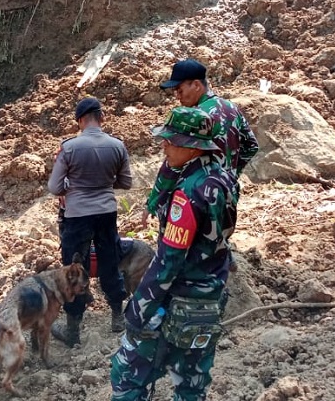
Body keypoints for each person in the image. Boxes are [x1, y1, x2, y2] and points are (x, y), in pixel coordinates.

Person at [110, 107, 237, 401]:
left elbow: (168, 261)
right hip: (210, 297)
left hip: (178, 300)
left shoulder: (189, 193)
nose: (164, 145)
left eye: (171, 140)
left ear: (192, 147)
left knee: (127, 374)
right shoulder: (224, 178)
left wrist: (139, 309)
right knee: (192, 383)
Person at [47, 96, 133, 342]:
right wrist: (104, 184)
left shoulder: (69, 147)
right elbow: (126, 182)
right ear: (102, 117)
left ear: (80, 121)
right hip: (107, 212)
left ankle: (73, 329)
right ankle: (117, 317)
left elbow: (54, 187)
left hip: (77, 216)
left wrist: (73, 188)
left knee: (74, 268)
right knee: (110, 259)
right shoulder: (117, 145)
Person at [141, 59, 258, 229]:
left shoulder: (194, 118)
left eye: (180, 90)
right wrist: (231, 173)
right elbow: (251, 146)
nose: (177, 96)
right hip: (226, 192)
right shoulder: (232, 108)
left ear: (196, 85)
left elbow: (173, 165)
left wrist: (153, 203)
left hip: (194, 194)